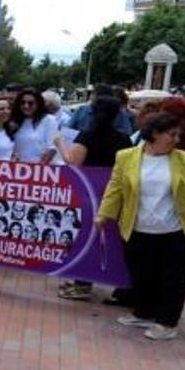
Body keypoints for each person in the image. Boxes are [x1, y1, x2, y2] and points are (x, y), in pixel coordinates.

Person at [96, 112, 185, 341]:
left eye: (179, 134)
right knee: (142, 274)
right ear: (155, 133)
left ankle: (167, 322)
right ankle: (144, 312)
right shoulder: (126, 156)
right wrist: (104, 214)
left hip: (175, 231)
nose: (177, 139)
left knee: (173, 278)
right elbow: (115, 188)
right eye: (172, 134)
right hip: (137, 229)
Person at [53, 96, 134, 301]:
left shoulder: (87, 136)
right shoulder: (124, 139)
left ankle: (82, 284)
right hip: (113, 196)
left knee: (86, 238)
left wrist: (60, 144)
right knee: (108, 238)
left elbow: (73, 162)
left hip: (89, 195)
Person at [12, 89, 58, 164]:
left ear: (38, 104)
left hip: (39, 168)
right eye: (22, 103)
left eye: (31, 103)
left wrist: (36, 168)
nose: (26, 106)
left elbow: (51, 148)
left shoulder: (49, 120)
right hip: (16, 167)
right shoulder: (15, 120)